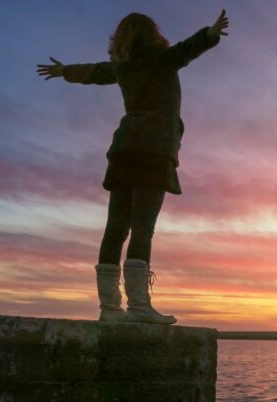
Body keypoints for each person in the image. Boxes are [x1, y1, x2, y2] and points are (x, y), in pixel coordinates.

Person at [37, 10, 229, 324]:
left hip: (124, 151)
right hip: (153, 153)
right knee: (142, 230)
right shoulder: (162, 59)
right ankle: (139, 306)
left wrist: (63, 71)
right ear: (152, 34)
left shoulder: (122, 67)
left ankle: (110, 310)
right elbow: (187, 50)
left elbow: (96, 72)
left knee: (114, 231)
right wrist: (209, 34)